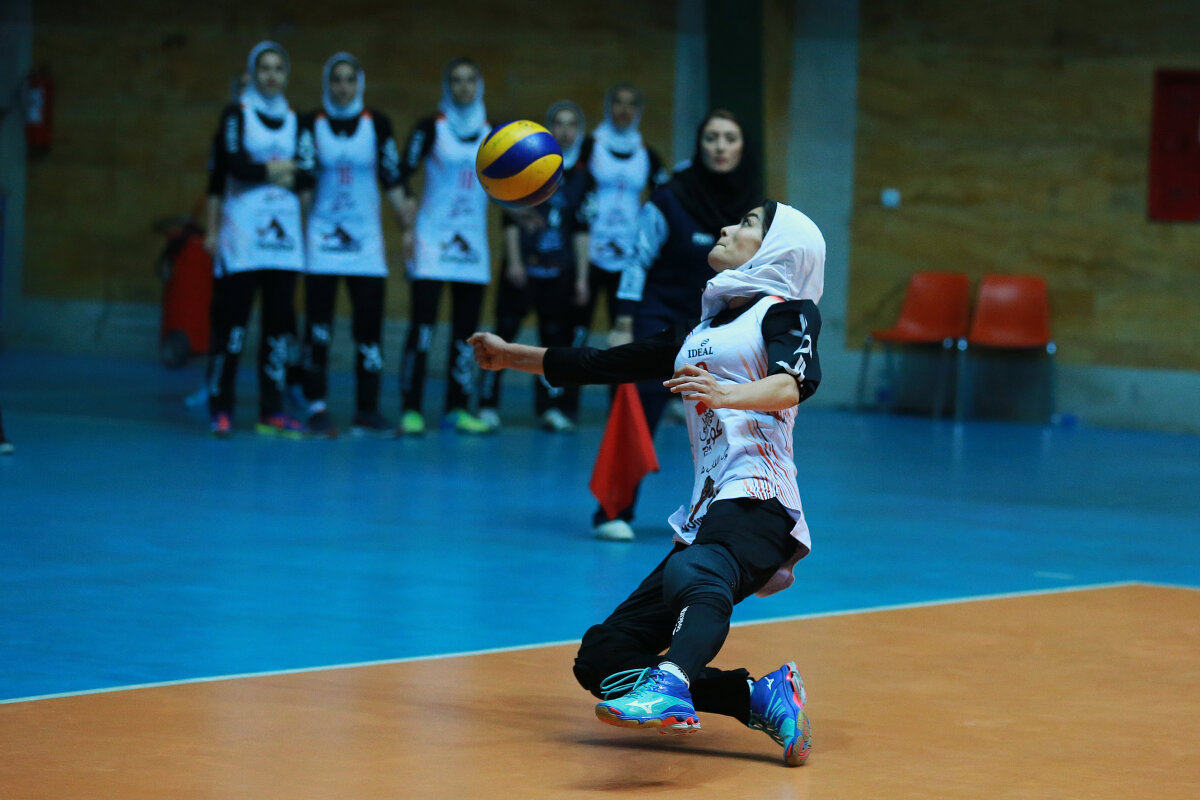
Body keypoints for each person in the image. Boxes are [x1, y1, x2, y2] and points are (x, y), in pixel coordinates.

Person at [469, 200, 824, 766]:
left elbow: (792, 384)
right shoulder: (699, 331)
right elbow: (604, 363)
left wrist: (728, 394)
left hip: (761, 500)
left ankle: (672, 684)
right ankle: (757, 696)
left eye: (748, 223)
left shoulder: (785, 312)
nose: (727, 226)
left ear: (780, 251)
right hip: (712, 515)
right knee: (604, 657)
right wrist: (511, 356)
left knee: (694, 571)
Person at [594, 109, 762, 541]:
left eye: (730, 138)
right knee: (637, 408)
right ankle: (612, 510)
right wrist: (623, 321)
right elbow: (637, 258)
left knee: (728, 423)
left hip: (718, 328)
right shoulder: (669, 197)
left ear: (743, 148)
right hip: (659, 318)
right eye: (711, 138)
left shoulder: (756, 209)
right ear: (698, 145)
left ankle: (722, 517)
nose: (720, 147)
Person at [295, 53, 404, 437]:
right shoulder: (310, 123)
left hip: (366, 245)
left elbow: (391, 177)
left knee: (369, 331)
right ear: (328, 84)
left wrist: (407, 222)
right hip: (322, 241)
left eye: (349, 79)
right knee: (318, 330)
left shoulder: (378, 124)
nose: (343, 87)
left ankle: (367, 409)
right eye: (336, 79)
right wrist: (299, 234)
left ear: (359, 84)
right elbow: (303, 183)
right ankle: (316, 405)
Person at [206, 41, 312, 438]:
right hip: (243, 238)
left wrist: (265, 169)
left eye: (278, 69)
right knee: (232, 328)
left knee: (277, 331)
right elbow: (234, 165)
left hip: (284, 243)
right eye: (264, 68)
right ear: (253, 73)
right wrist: (279, 169)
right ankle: (221, 406)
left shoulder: (297, 120)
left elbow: (307, 173)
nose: (271, 75)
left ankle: (272, 410)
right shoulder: (237, 114)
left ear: (286, 76)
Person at [395, 57, 494, 436]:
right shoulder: (430, 127)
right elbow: (400, 172)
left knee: (466, 335)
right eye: (456, 80)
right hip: (432, 243)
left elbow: (512, 183)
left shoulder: (493, 134)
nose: (463, 86)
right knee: (422, 329)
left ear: (479, 86)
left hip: (473, 246)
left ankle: (457, 407)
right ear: (447, 86)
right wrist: (406, 219)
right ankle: (410, 408)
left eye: (470, 80)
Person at [477, 100, 591, 433]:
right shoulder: (526, 164)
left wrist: (582, 278)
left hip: (559, 271)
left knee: (551, 344)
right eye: (559, 123)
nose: (565, 130)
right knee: (503, 334)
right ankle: (487, 405)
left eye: (572, 124)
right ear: (547, 129)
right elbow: (509, 218)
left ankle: (549, 408)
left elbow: (581, 230)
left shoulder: (582, 177)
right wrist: (513, 261)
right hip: (522, 267)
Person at [574, 83, 669, 352]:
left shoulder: (647, 155)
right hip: (588, 252)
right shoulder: (589, 148)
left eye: (631, 104)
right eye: (618, 102)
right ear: (608, 107)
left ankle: (618, 382)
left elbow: (665, 201)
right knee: (577, 331)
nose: (624, 109)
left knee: (623, 334)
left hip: (628, 254)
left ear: (639, 111)